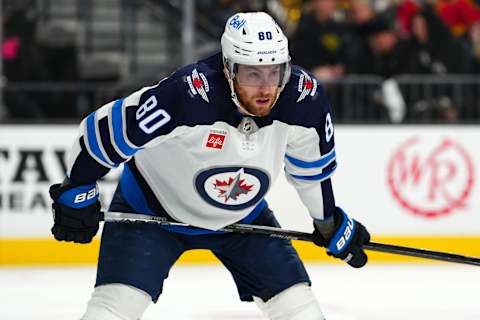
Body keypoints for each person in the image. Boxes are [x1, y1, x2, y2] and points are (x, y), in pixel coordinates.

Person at [48, 12, 370, 320]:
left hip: (245, 217)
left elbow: (310, 171)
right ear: (228, 68)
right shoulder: (184, 96)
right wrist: (75, 189)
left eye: (275, 71)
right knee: (112, 311)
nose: (266, 88)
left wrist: (328, 221)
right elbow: (100, 133)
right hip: (149, 213)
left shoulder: (303, 99)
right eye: (252, 74)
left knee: (302, 311)